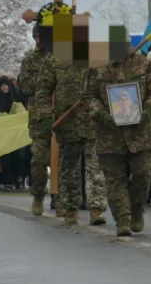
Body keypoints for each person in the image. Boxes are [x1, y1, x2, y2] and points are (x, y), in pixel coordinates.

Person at [32, 18, 108, 226]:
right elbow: (43, 90)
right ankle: (71, 208)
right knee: (69, 168)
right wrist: (46, 116)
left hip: (93, 120)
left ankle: (96, 208)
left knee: (95, 167)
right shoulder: (55, 59)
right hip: (68, 122)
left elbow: (107, 83)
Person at [87, 46, 151, 236]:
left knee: (143, 174)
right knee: (114, 180)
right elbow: (89, 97)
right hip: (109, 135)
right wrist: (101, 115)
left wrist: (148, 112)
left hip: (140, 133)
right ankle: (122, 219)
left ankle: (136, 209)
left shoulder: (143, 64)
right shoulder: (97, 67)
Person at [18, 26, 53, 215]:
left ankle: (61, 197)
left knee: (63, 161)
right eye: (36, 36)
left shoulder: (60, 56)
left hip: (61, 116)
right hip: (39, 117)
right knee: (39, 160)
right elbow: (24, 86)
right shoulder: (30, 60)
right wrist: (45, 80)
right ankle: (38, 195)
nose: (38, 40)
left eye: (42, 36)